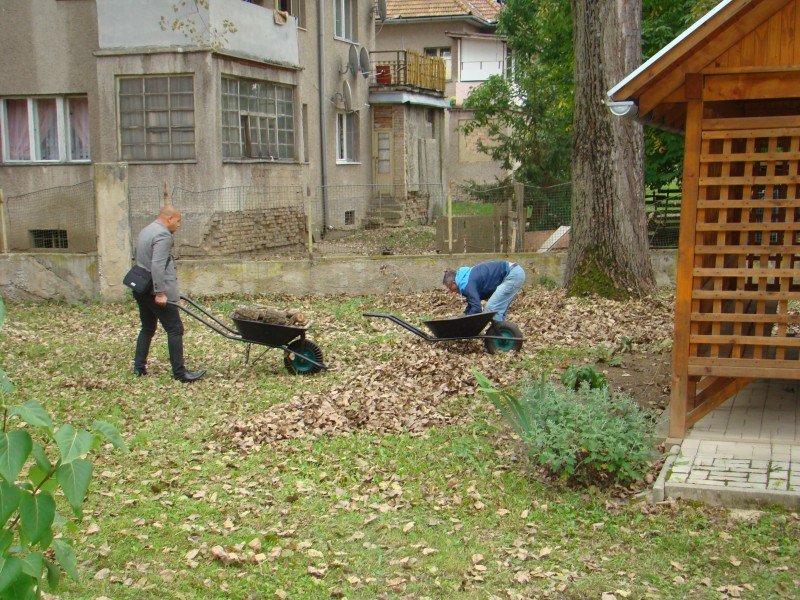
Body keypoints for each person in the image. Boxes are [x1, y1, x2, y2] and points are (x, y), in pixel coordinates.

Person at [132, 205, 205, 383]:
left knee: (148, 327)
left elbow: (140, 258)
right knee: (175, 329)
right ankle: (180, 374)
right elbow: (157, 265)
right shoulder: (163, 235)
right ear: (170, 218)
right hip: (154, 290)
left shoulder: (147, 230)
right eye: (178, 221)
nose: (179, 225)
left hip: (141, 286)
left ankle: (138, 367)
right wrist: (160, 292)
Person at [443, 260, 526, 322]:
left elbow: (477, 308)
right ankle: (501, 332)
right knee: (497, 309)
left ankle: (497, 337)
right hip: (514, 272)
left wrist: (464, 320)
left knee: (492, 307)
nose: (451, 291)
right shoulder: (465, 279)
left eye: (450, 287)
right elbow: (472, 302)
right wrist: (464, 314)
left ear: (454, 282)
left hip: (512, 274)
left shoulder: (467, 284)